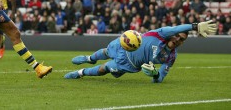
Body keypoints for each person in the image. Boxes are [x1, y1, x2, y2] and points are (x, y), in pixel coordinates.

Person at [64, 20, 217, 83]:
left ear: (183, 43)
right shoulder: (161, 33)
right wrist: (194, 26)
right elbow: (176, 28)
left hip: (128, 64)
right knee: (105, 50)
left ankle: (80, 73)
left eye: (182, 39)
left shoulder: (170, 57)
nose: (178, 38)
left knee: (105, 69)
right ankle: (90, 58)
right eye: (178, 35)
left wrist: (155, 74)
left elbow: (160, 78)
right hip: (127, 43)